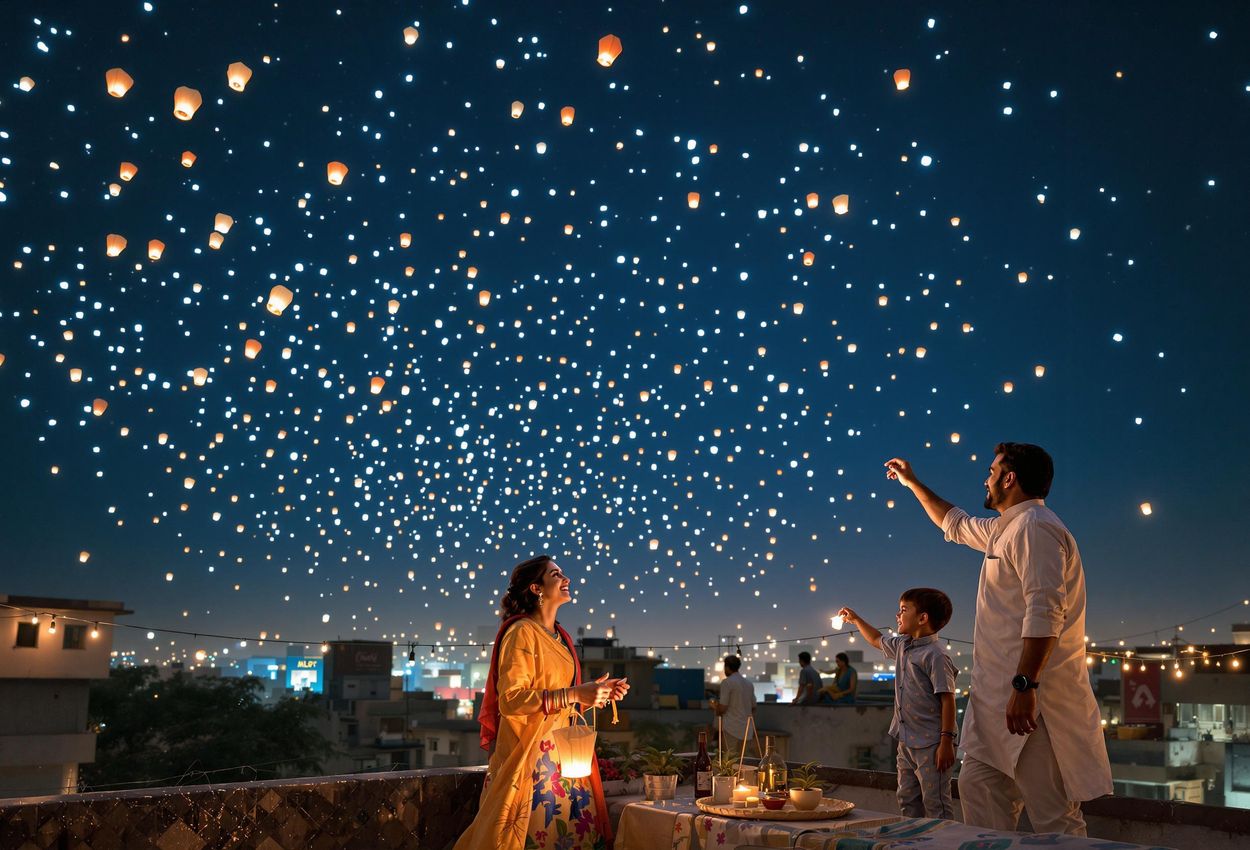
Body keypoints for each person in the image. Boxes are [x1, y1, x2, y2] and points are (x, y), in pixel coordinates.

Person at [884, 445, 1112, 835]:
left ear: (1010, 478)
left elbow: (1045, 610)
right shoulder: (1004, 529)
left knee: (1055, 818)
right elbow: (953, 523)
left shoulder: (1036, 527)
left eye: (991, 471)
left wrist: (1025, 685)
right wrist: (912, 483)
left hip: (1033, 710)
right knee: (979, 792)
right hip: (994, 710)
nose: (985, 478)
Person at [455, 556, 629, 850]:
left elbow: (560, 702)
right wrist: (574, 693)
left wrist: (595, 694)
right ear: (536, 588)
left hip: (565, 764)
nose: (566, 579)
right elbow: (511, 701)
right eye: (556, 574)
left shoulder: (561, 637)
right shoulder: (520, 632)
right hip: (531, 763)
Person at [838, 589, 959, 819]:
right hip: (906, 739)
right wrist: (855, 619)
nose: (897, 615)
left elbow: (948, 699)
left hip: (932, 743)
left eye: (903, 610)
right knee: (907, 798)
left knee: (936, 804)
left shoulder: (936, 655)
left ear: (922, 618)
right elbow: (875, 639)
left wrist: (946, 742)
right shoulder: (903, 645)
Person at [713, 654, 756, 759]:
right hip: (747, 730)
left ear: (727, 667)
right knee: (744, 763)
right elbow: (754, 707)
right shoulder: (748, 684)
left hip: (731, 728)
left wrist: (715, 707)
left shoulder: (727, 683)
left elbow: (723, 708)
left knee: (729, 761)